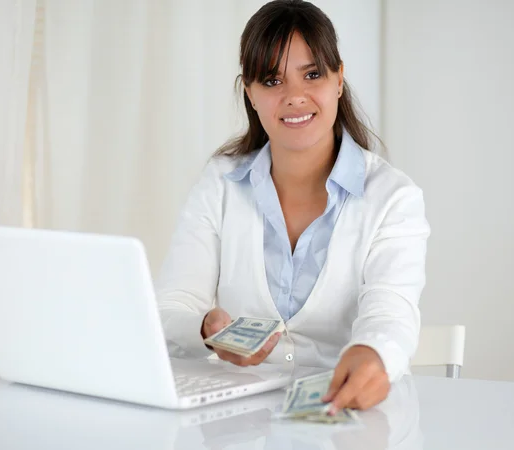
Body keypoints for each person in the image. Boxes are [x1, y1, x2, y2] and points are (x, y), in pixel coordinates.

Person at [156, 0, 430, 414]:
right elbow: (171, 307)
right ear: (249, 93)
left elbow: (391, 311)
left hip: (351, 418)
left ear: (339, 79)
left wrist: (374, 352)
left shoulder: (393, 197)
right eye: (271, 80)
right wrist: (205, 329)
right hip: (241, 422)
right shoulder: (219, 183)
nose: (295, 97)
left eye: (313, 74)